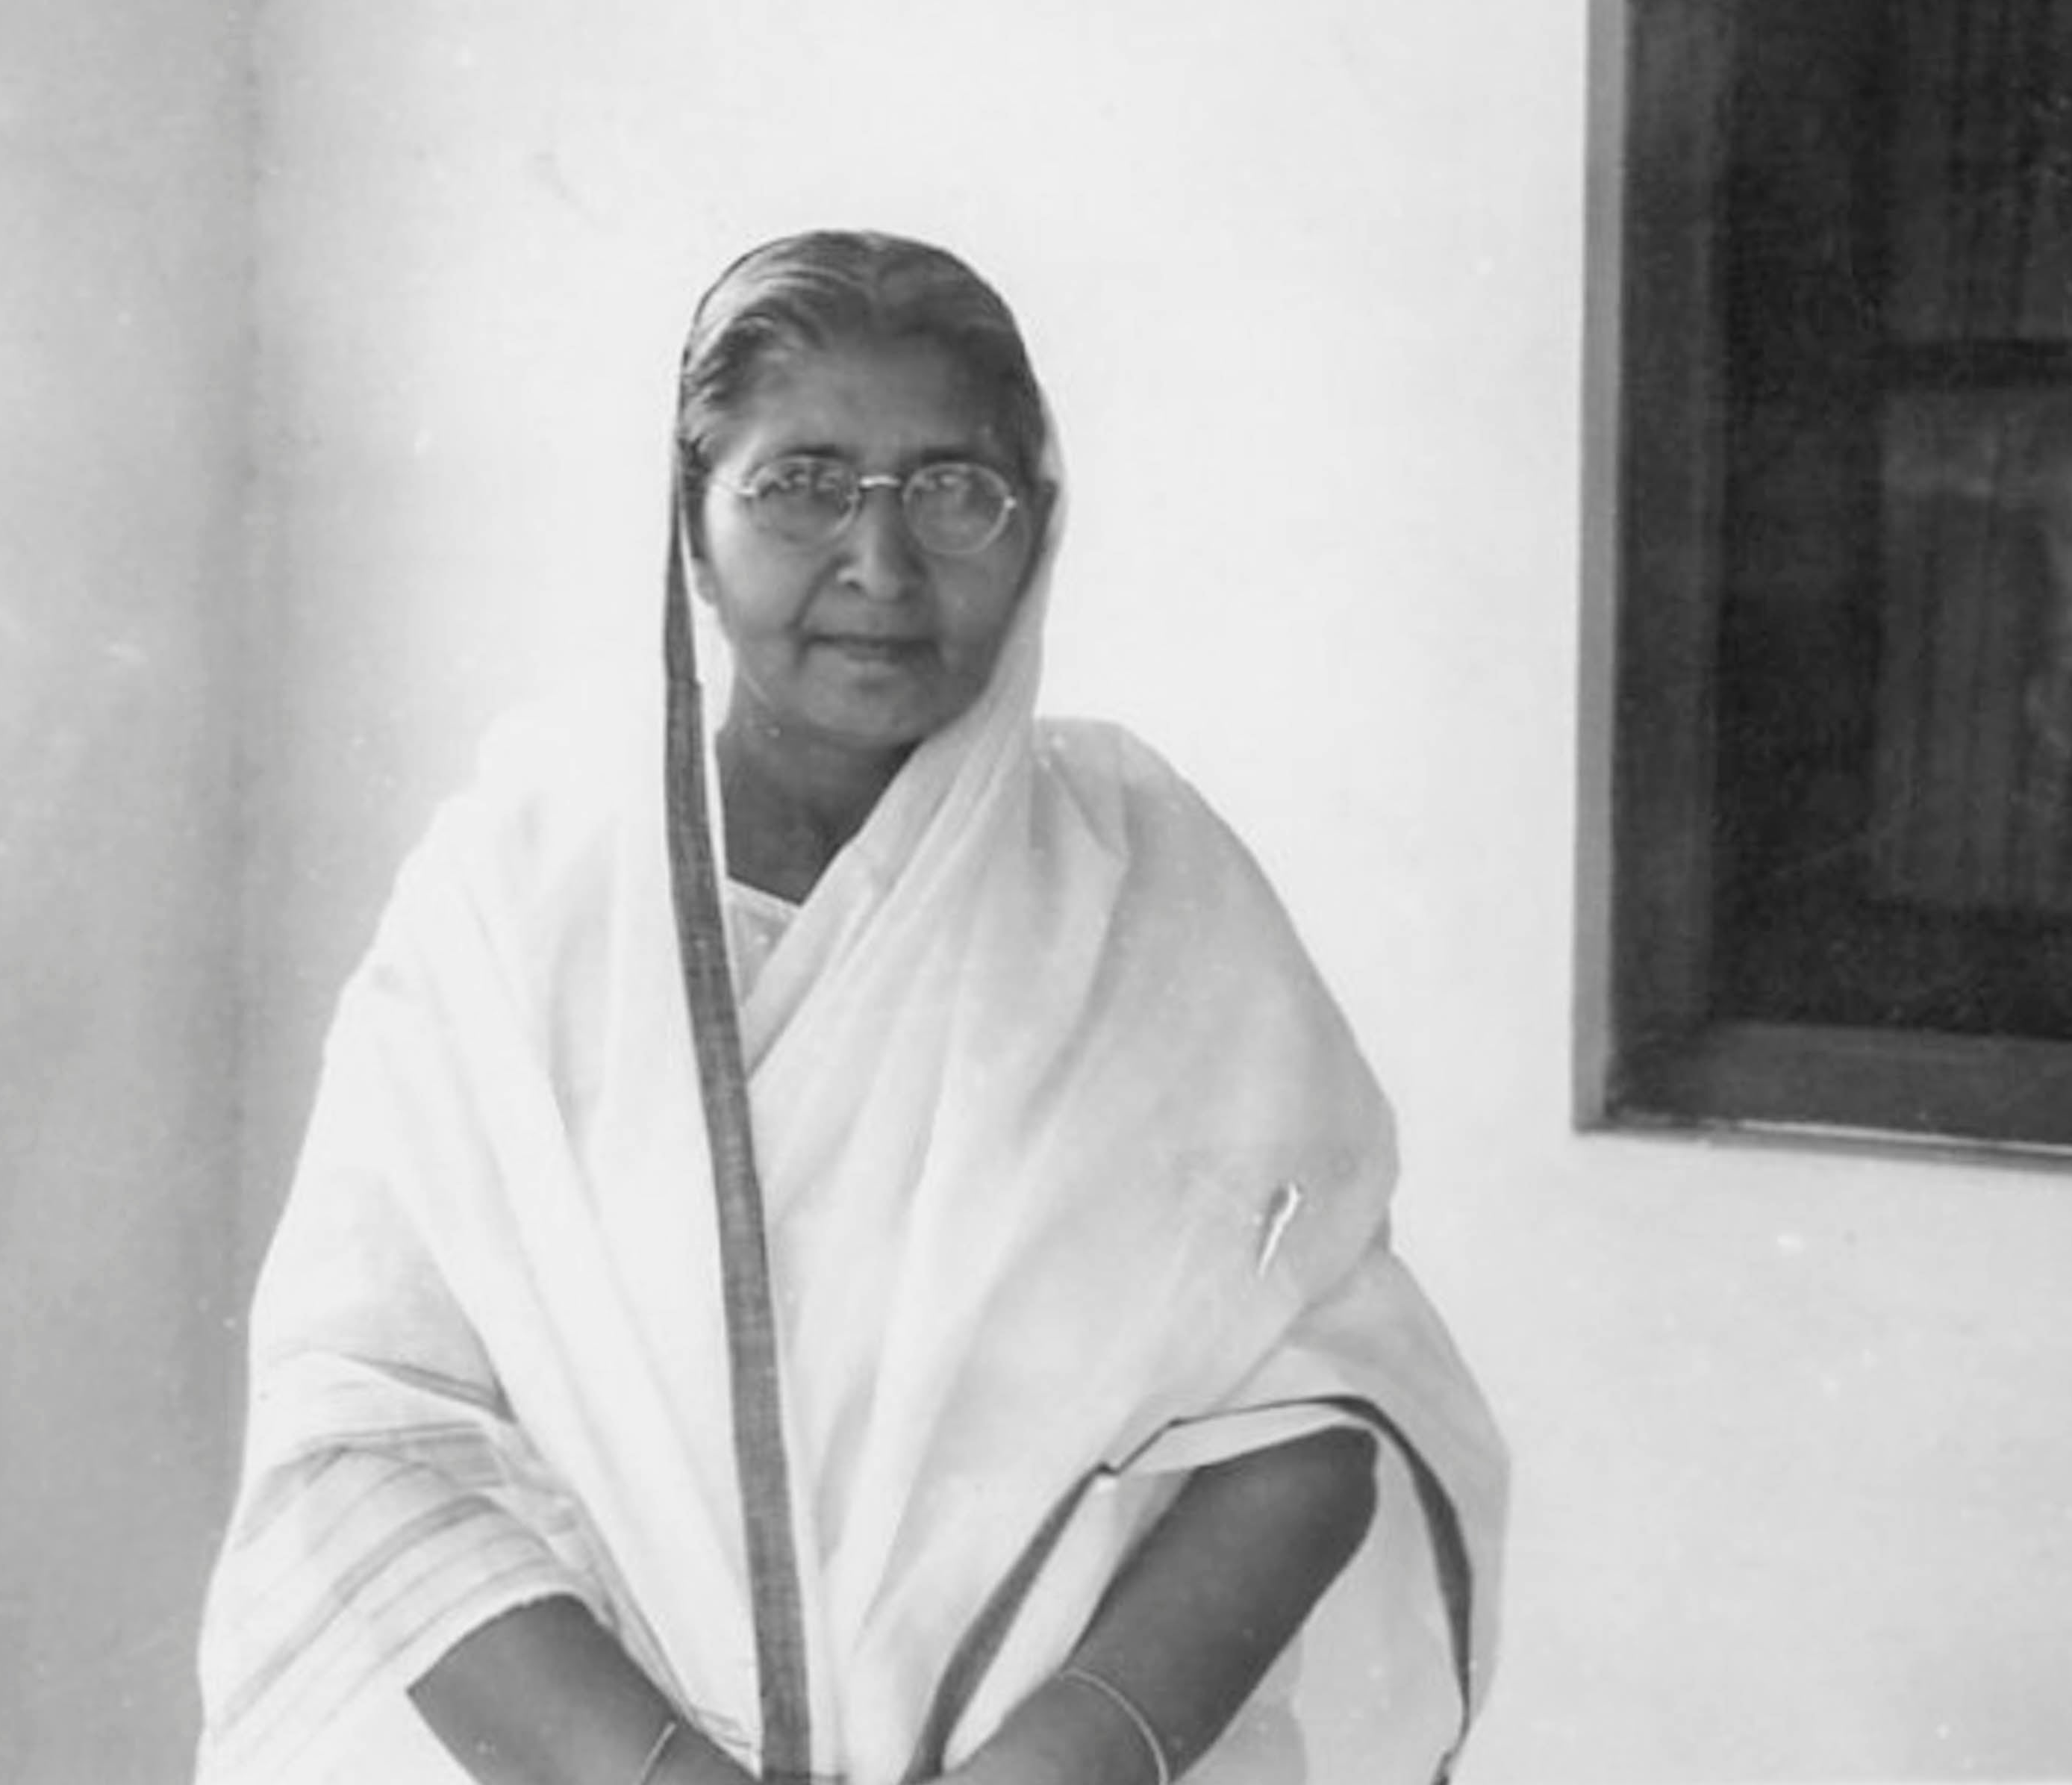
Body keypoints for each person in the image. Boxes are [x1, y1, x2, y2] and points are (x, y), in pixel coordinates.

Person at [195, 231, 1508, 1785]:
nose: (880, 569)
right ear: (691, 531)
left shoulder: (1142, 884)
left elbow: (1315, 1402)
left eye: (955, 492)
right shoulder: (525, 898)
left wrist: (1070, 1761)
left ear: (1039, 532)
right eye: (801, 482)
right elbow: (365, 1427)